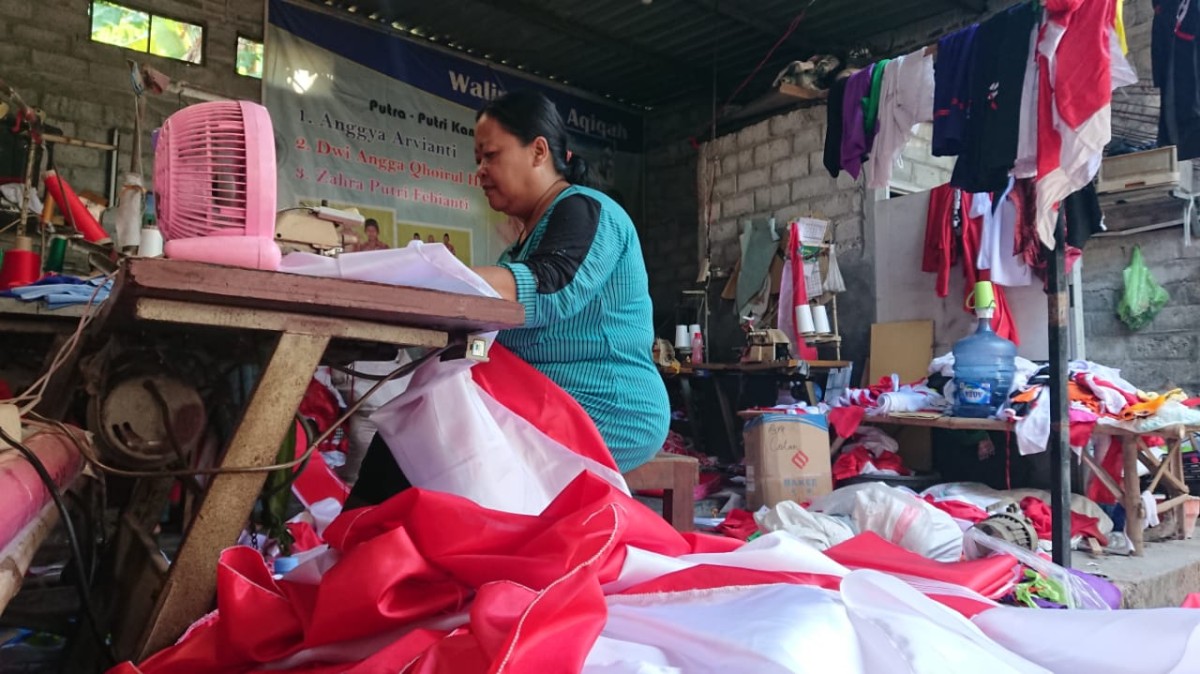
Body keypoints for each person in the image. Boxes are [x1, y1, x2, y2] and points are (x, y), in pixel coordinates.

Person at [468, 90, 669, 473]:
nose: (480, 170)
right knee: (432, 411)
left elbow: (550, 287)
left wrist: (435, 276)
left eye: (490, 155)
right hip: (546, 397)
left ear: (538, 151)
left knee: (453, 434)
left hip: (609, 406)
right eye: (478, 159)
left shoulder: (585, 209)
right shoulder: (517, 251)